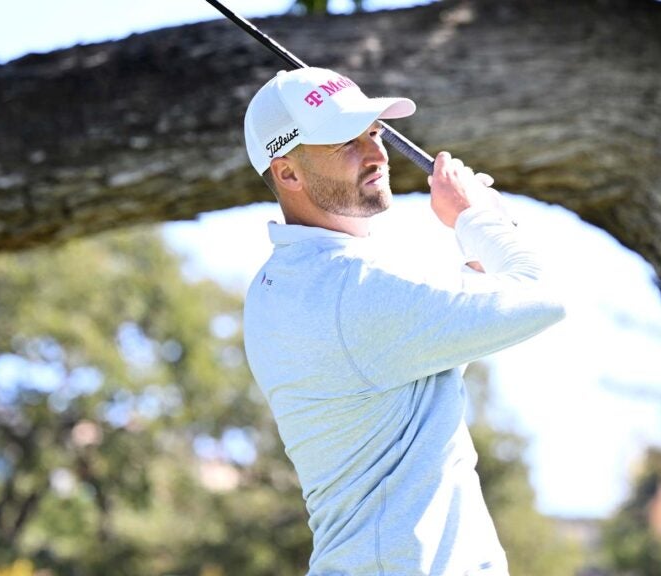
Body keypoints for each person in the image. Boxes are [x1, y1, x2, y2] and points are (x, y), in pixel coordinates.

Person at [241, 67, 565, 576]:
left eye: (373, 132)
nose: (375, 154)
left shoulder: (279, 285)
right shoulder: (351, 288)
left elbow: (440, 335)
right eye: (344, 141)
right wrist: (476, 220)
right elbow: (546, 297)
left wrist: (479, 237)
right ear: (287, 174)